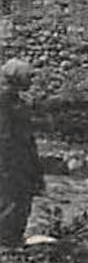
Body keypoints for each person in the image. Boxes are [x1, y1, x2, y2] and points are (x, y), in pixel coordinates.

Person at [0, 59, 42, 248]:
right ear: (17, 78)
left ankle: (12, 239)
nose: (31, 81)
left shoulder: (16, 100)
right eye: (28, 77)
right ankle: (7, 242)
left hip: (22, 158)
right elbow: (6, 137)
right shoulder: (4, 101)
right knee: (11, 199)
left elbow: (27, 137)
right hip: (10, 161)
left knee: (21, 199)